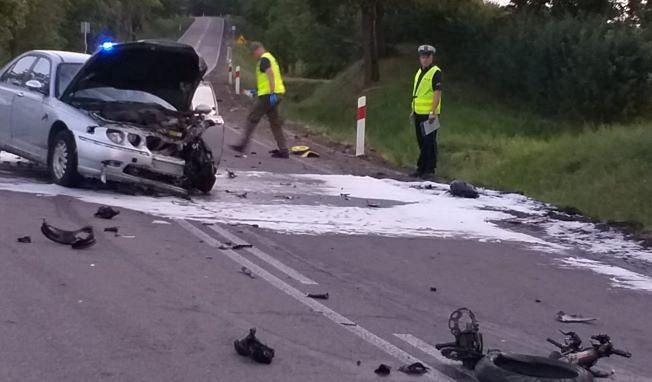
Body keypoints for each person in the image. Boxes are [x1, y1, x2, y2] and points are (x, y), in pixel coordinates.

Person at [231, 42, 289, 158]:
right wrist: (256, 90)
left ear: (258, 50)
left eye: (253, 53)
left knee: (252, 118)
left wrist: (272, 93)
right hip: (276, 94)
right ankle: (283, 150)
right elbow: (266, 80)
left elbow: (270, 75)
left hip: (268, 96)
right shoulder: (270, 58)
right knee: (275, 123)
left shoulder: (264, 60)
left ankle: (242, 145)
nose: (254, 56)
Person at [410, 44, 442, 179]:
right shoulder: (419, 72)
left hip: (429, 114)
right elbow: (416, 92)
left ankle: (428, 169)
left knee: (429, 142)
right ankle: (422, 168)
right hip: (418, 111)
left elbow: (437, 92)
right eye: (422, 57)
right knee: (421, 142)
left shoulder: (435, 72)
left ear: (431, 57)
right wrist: (412, 110)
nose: (424, 59)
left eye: (427, 57)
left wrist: (433, 112)